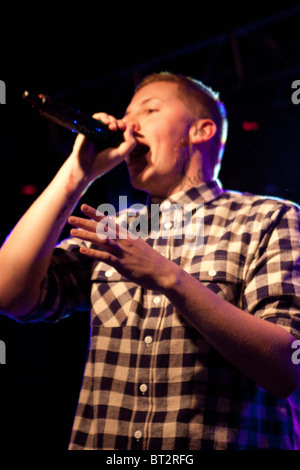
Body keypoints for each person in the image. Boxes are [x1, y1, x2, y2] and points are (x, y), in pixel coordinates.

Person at [0, 72, 300, 450]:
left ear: (201, 131)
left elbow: (289, 367)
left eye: (150, 109)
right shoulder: (115, 227)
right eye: (127, 113)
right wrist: (78, 174)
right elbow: (7, 292)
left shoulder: (267, 218)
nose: (127, 124)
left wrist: (168, 277)